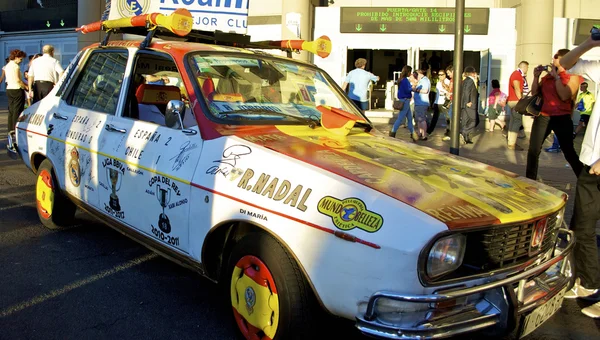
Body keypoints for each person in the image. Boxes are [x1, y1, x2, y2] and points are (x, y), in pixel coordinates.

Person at [559, 36, 600, 319]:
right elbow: (565, 64)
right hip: (591, 162)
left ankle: (591, 287)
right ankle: (586, 283)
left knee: (585, 228)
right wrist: (589, 42)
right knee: (581, 226)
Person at [525, 49, 583, 180]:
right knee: (533, 150)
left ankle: (585, 179)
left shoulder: (572, 76)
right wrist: (535, 76)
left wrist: (557, 77)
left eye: (556, 56)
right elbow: (535, 93)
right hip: (543, 116)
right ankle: (530, 180)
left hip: (562, 117)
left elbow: (564, 95)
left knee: (568, 152)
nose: (553, 58)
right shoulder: (548, 76)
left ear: (564, 59)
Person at [389, 65, 417, 141]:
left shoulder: (401, 80)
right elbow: (408, 90)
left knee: (410, 118)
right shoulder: (405, 80)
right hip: (405, 100)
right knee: (401, 118)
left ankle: (413, 133)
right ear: (408, 72)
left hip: (403, 100)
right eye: (410, 72)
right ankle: (393, 131)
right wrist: (413, 87)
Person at [507, 61, 529, 150]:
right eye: (527, 67)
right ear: (524, 67)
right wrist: (521, 100)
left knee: (513, 121)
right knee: (517, 121)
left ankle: (510, 141)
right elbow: (517, 87)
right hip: (515, 101)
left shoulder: (516, 74)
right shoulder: (517, 74)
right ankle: (512, 143)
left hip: (512, 100)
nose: (527, 70)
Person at [5, 49, 27, 133]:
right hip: (17, 89)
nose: (21, 61)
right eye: (20, 59)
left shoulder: (8, 65)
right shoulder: (15, 66)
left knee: (11, 110)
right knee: (17, 109)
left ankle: (10, 128)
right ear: (16, 57)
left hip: (9, 88)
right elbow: (18, 80)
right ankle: (15, 128)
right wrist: (25, 87)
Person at [427, 69, 450, 135]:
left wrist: (443, 83)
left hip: (444, 102)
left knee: (447, 117)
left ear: (445, 75)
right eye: (439, 75)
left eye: (441, 75)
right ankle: (429, 130)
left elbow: (448, 89)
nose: (440, 76)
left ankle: (449, 131)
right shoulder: (438, 82)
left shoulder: (447, 81)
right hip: (437, 102)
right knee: (435, 117)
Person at [412, 63, 431, 140]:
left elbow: (425, 90)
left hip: (422, 103)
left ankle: (424, 134)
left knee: (422, 119)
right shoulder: (421, 81)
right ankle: (420, 132)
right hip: (418, 103)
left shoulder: (425, 81)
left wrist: (416, 89)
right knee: (419, 119)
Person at [460, 66, 478, 144]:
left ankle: (465, 137)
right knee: (474, 121)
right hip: (469, 104)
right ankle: (464, 132)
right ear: (473, 73)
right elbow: (467, 92)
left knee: (465, 121)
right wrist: (468, 102)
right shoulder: (470, 81)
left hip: (464, 104)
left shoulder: (464, 81)